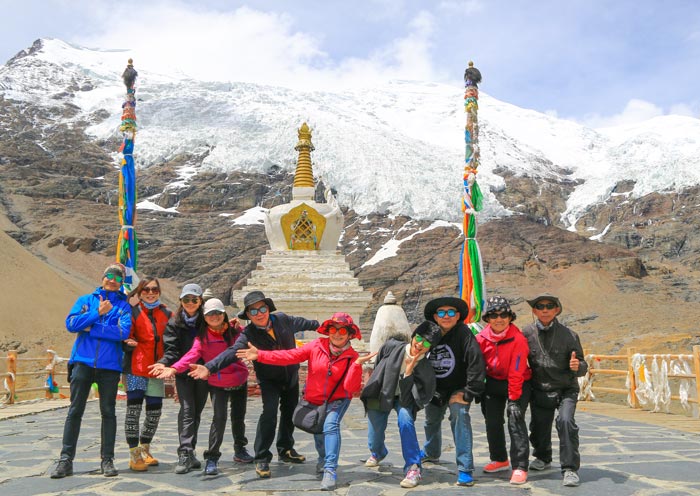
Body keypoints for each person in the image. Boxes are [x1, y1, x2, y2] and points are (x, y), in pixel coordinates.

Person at [189, 290, 319, 479]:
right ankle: (262, 457)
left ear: (268, 308)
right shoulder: (248, 334)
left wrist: (329, 327)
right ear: (248, 316)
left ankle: (286, 448)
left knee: (289, 412)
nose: (259, 314)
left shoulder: (283, 320)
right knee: (270, 413)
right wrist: (209, 368)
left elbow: (309, 324)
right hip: (269, 380)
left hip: (290, 375)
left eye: (262, 308)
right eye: (253, 311)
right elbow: (232, 352)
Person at [237, 312, 374, 491]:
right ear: (328, 331)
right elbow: (290, 356)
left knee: (330, 426)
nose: (337, 333)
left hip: (338, 399)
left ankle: (330, 470)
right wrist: (260, 355)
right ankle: (323, 459)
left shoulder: (352, 356)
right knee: (318, 431)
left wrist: (356, 366)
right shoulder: (316, 346)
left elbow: (351, 388)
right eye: (333, 328)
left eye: (343, 330)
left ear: (350, 334)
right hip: (316, 399)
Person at [153, 298, 253, 475]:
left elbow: (253, 338)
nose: (214, 317)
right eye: (210, 314)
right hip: (217, 382)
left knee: (239, 418)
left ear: (224, 314)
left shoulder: (236, 332)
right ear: (204, 317)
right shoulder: (202, 337)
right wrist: (174, 368)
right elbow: (191, 355)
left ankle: (240, 449)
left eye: (217, 313)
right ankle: (212, 457)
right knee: (219, 419)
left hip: (238, 379)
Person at [51, 264, 132, 479]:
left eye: (117, 276)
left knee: (108, 412)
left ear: (121, 281)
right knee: (75, 410)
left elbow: (123, 332)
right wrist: (98, 313)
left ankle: (107, 460)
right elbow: (71, 324)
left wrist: (91, 327)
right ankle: (65, 460)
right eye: (109, 275)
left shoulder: (124, 307)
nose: (112, 279)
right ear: (103, 277)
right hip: (83, 363)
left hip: (109, 367)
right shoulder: (86, 300)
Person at [360, 320, 441, 488]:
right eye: (419, 338)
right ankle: (379, 452)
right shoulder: (392, 347)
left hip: (404, 399)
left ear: (430, 347)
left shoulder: (425, 369)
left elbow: (409, 398)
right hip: (382, 392)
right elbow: (379, 364)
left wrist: (409, 372)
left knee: (406, 421)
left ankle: (413, 467)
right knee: (374, 438)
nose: (420, 344)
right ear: (413, 336)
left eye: (426, 343)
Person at [522, 293, 588, 488]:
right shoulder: (525, 333)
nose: (544, 309)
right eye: (540, 306)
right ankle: (542, 457)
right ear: (534, 310)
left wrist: (578, 366)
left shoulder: (570, 335)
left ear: (557, 309)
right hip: (540, 388)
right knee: (539, 426)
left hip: (565, 389)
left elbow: (583, 364)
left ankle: (570, 469)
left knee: (566, 422)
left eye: (549, 306)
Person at [420, 296, 485, 487]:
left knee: (460, 418)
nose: (446, 316)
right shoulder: (429, 333)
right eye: (441, 312)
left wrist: (469, 392)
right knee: (430, 421)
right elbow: (416, 355)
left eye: (450, 312)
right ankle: (431, 452)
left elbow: (476, 362)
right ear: (435, 316)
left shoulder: (464, 334)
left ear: (458, 316)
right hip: (435, 388)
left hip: (458, 388)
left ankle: (465, 468)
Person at [148, 283, 208, 474]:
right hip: (182, 373)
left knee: (196, 411)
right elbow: (171, 350)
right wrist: (165, 363)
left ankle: (190, 454)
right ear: (181, 301)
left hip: (202, 372)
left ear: (200, 302)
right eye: (186, 300)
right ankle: (184, 452)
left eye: (194, 300)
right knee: (188, 409)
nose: (190, 303)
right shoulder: (175, 323)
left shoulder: (207, 321)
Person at [476, 296, 532, 485]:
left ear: (510, 317)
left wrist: (514, 399)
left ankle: (520, 467)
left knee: (515, 421)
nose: (498, 319)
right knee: (492, 421)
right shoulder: (480, 338)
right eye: (493, 315)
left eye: (503, 315)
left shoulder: (518, 339)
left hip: (517, 382)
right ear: (487, 319)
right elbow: (476, 365)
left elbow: (517, 370)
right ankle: (499, 459)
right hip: (493, 383)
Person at [122, 277, 172, 472]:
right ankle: (134, 454)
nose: (151, 293)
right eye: (146, 290)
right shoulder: (133, 312)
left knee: (154, 412)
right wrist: (128, 342)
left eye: (154, 289)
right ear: (140, 292)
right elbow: (125, 333)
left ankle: (145, 449)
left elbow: (175, 334)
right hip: (136, 367)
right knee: (133, 412)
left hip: (156, 368)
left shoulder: (167, 313)